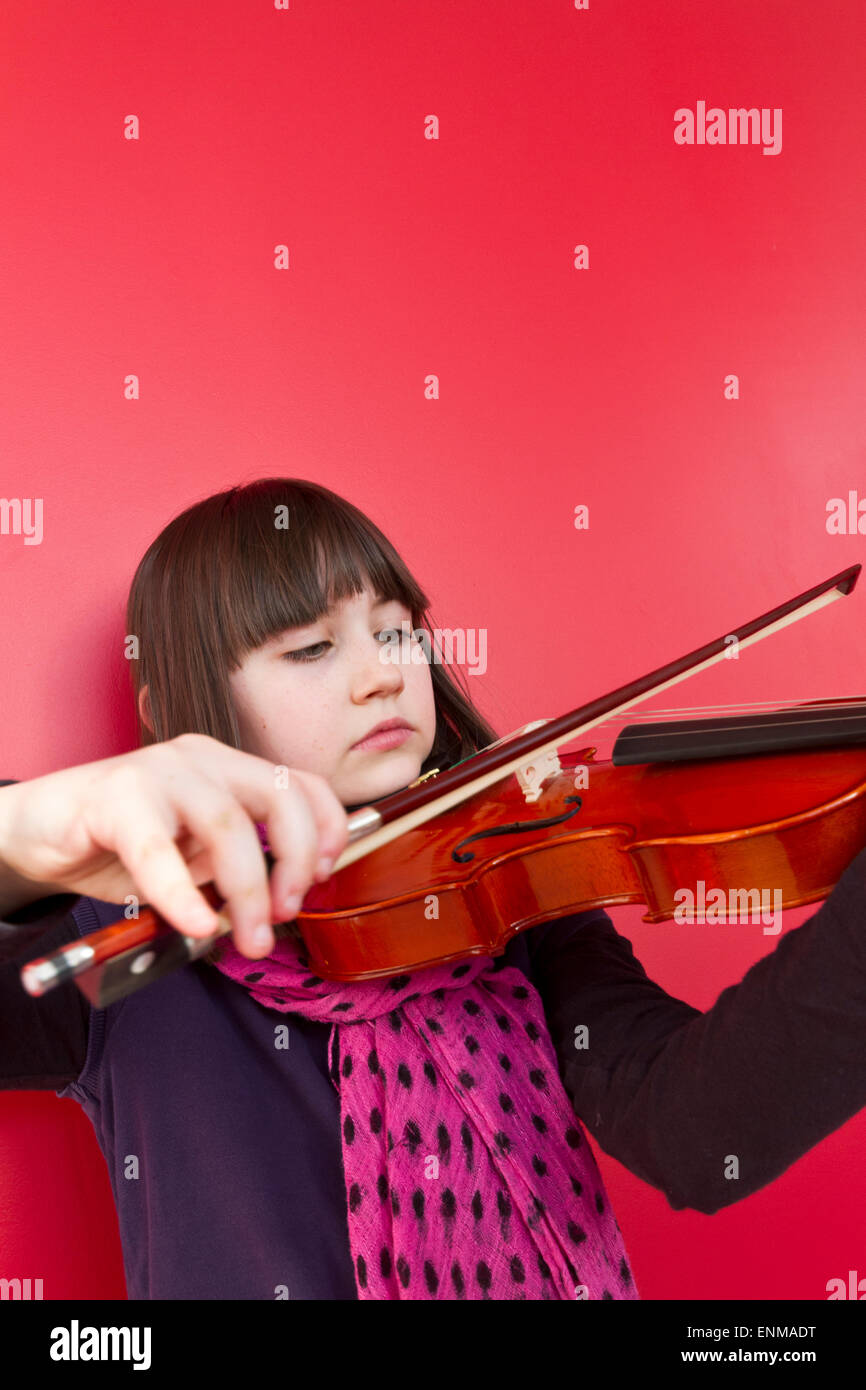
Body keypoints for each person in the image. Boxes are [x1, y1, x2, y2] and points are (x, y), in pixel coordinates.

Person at [1, 476, 865, 1301]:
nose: (382, 673)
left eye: (396, 630)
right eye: (310, 647)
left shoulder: (513, 893)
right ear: (174, 717)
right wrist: (31, 831)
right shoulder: (130, 941)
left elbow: (703, 1137)